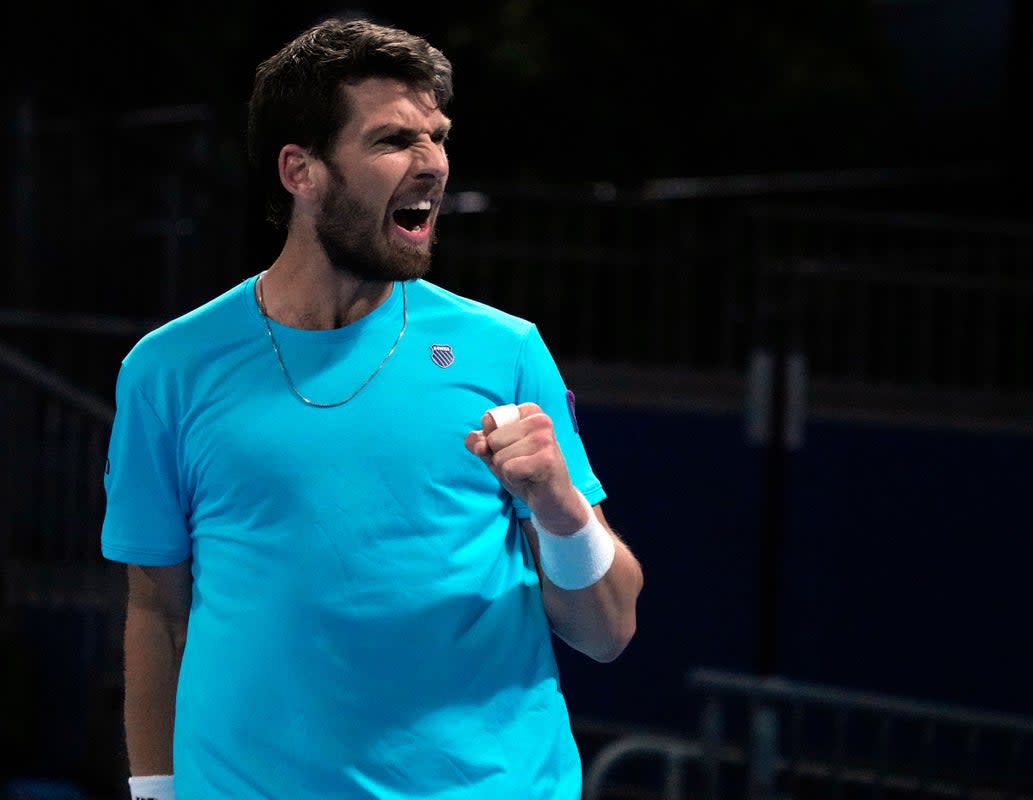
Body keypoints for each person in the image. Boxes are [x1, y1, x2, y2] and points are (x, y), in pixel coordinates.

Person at [100, 16, 643, 800]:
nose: (433, 165)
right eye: (394, 141)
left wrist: (561, 509)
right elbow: (156, 610)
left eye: (439, 136)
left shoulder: (506, 351)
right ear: (301, 170)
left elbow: (609, 630)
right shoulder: (167, 370)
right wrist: (153, 793)